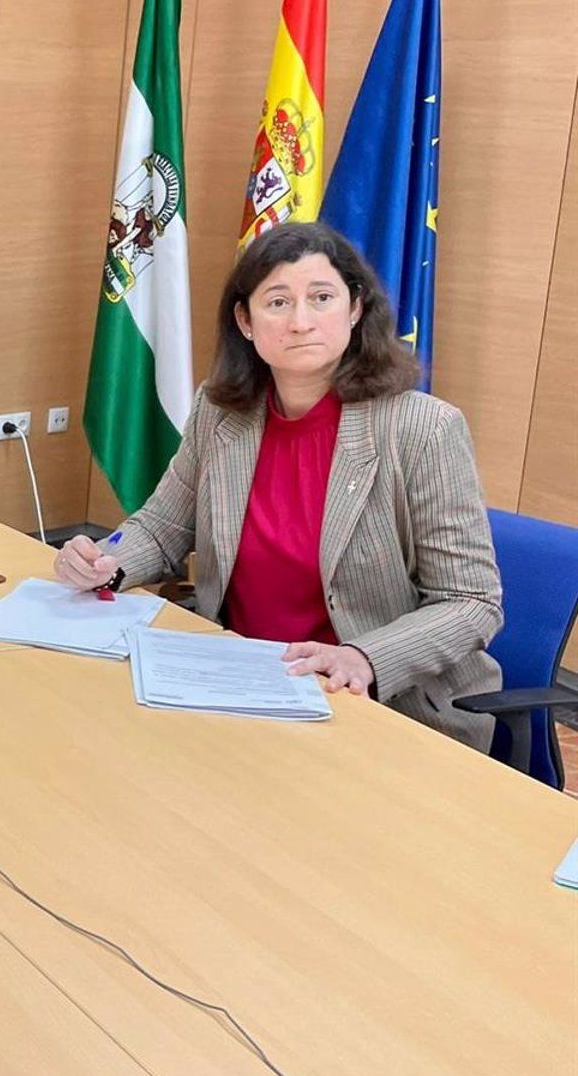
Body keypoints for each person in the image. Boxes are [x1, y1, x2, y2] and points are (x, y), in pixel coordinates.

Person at [57, 221, 501, 749]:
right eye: (277, 302)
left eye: (321, 298)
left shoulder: (423, 428)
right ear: (245, 321)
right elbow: (162, 526)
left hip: (375, 704)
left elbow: (471, 601)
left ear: (355, 309)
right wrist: (106, 561)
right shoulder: (221, 412)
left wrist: (364, 657)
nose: (300, 322)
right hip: (240, 680)